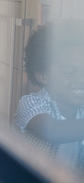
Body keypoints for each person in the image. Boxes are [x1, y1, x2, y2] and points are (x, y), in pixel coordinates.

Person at [14, 20, 84, 169]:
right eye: (69, 73)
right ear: (42, 75)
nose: (81, 79)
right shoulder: (30, 104)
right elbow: (52, 131)